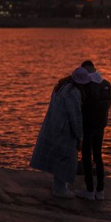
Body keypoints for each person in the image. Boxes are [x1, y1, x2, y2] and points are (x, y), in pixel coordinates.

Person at [29, 66, 89, 198]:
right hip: (65, 130)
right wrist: (80, 136)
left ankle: (59, 187)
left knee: (59, 158)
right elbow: (75, 116)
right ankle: (60, 189)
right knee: (66, 159)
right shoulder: (73, 93)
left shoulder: (61, 87)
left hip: (56, 126)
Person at [74, 60, 111, 200]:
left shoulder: (86, 86)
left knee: (86, 156)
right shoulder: (107, 84)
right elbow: (109, 105)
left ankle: (90, 190)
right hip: (101, 126)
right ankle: (100, 191)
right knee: (98, 156)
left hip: (88, 125)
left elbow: (80, 106)